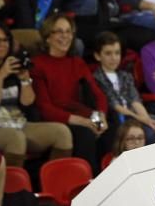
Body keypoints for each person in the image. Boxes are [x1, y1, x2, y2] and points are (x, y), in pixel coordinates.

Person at [31, 12, 109, 167]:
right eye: (59, 31)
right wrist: (83, 122)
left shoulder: (77, 63)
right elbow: (45, 108)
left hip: (83, 117)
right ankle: (88, 184)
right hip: (58, 120)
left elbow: (98, 95)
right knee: (85, 135)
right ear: (48, 37)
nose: (65, 36)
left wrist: (101, 117)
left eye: (68, 32)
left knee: (112, 132)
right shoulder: (38, 64)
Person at [0, 21, 72, 167]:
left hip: (18, 123)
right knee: (16, 138)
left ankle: (55, 184)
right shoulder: (5, 71)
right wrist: (1, 75)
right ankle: (11, 188)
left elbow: (28, 102)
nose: (2, 44)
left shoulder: (13, 64)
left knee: (62, 132)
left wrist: (25, 80)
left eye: (5, 40)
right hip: (2, 129)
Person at [91, 30, 155, 142]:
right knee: (148, 133)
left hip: (136, 117)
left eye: (117, 53)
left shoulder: (125, 75)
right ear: (97, 56)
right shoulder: (96, 78)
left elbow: (135, 100)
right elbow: (114, 105)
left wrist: (147, 119)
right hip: (118, 120)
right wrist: (143, 120)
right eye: (108, 53)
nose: (114, 58)